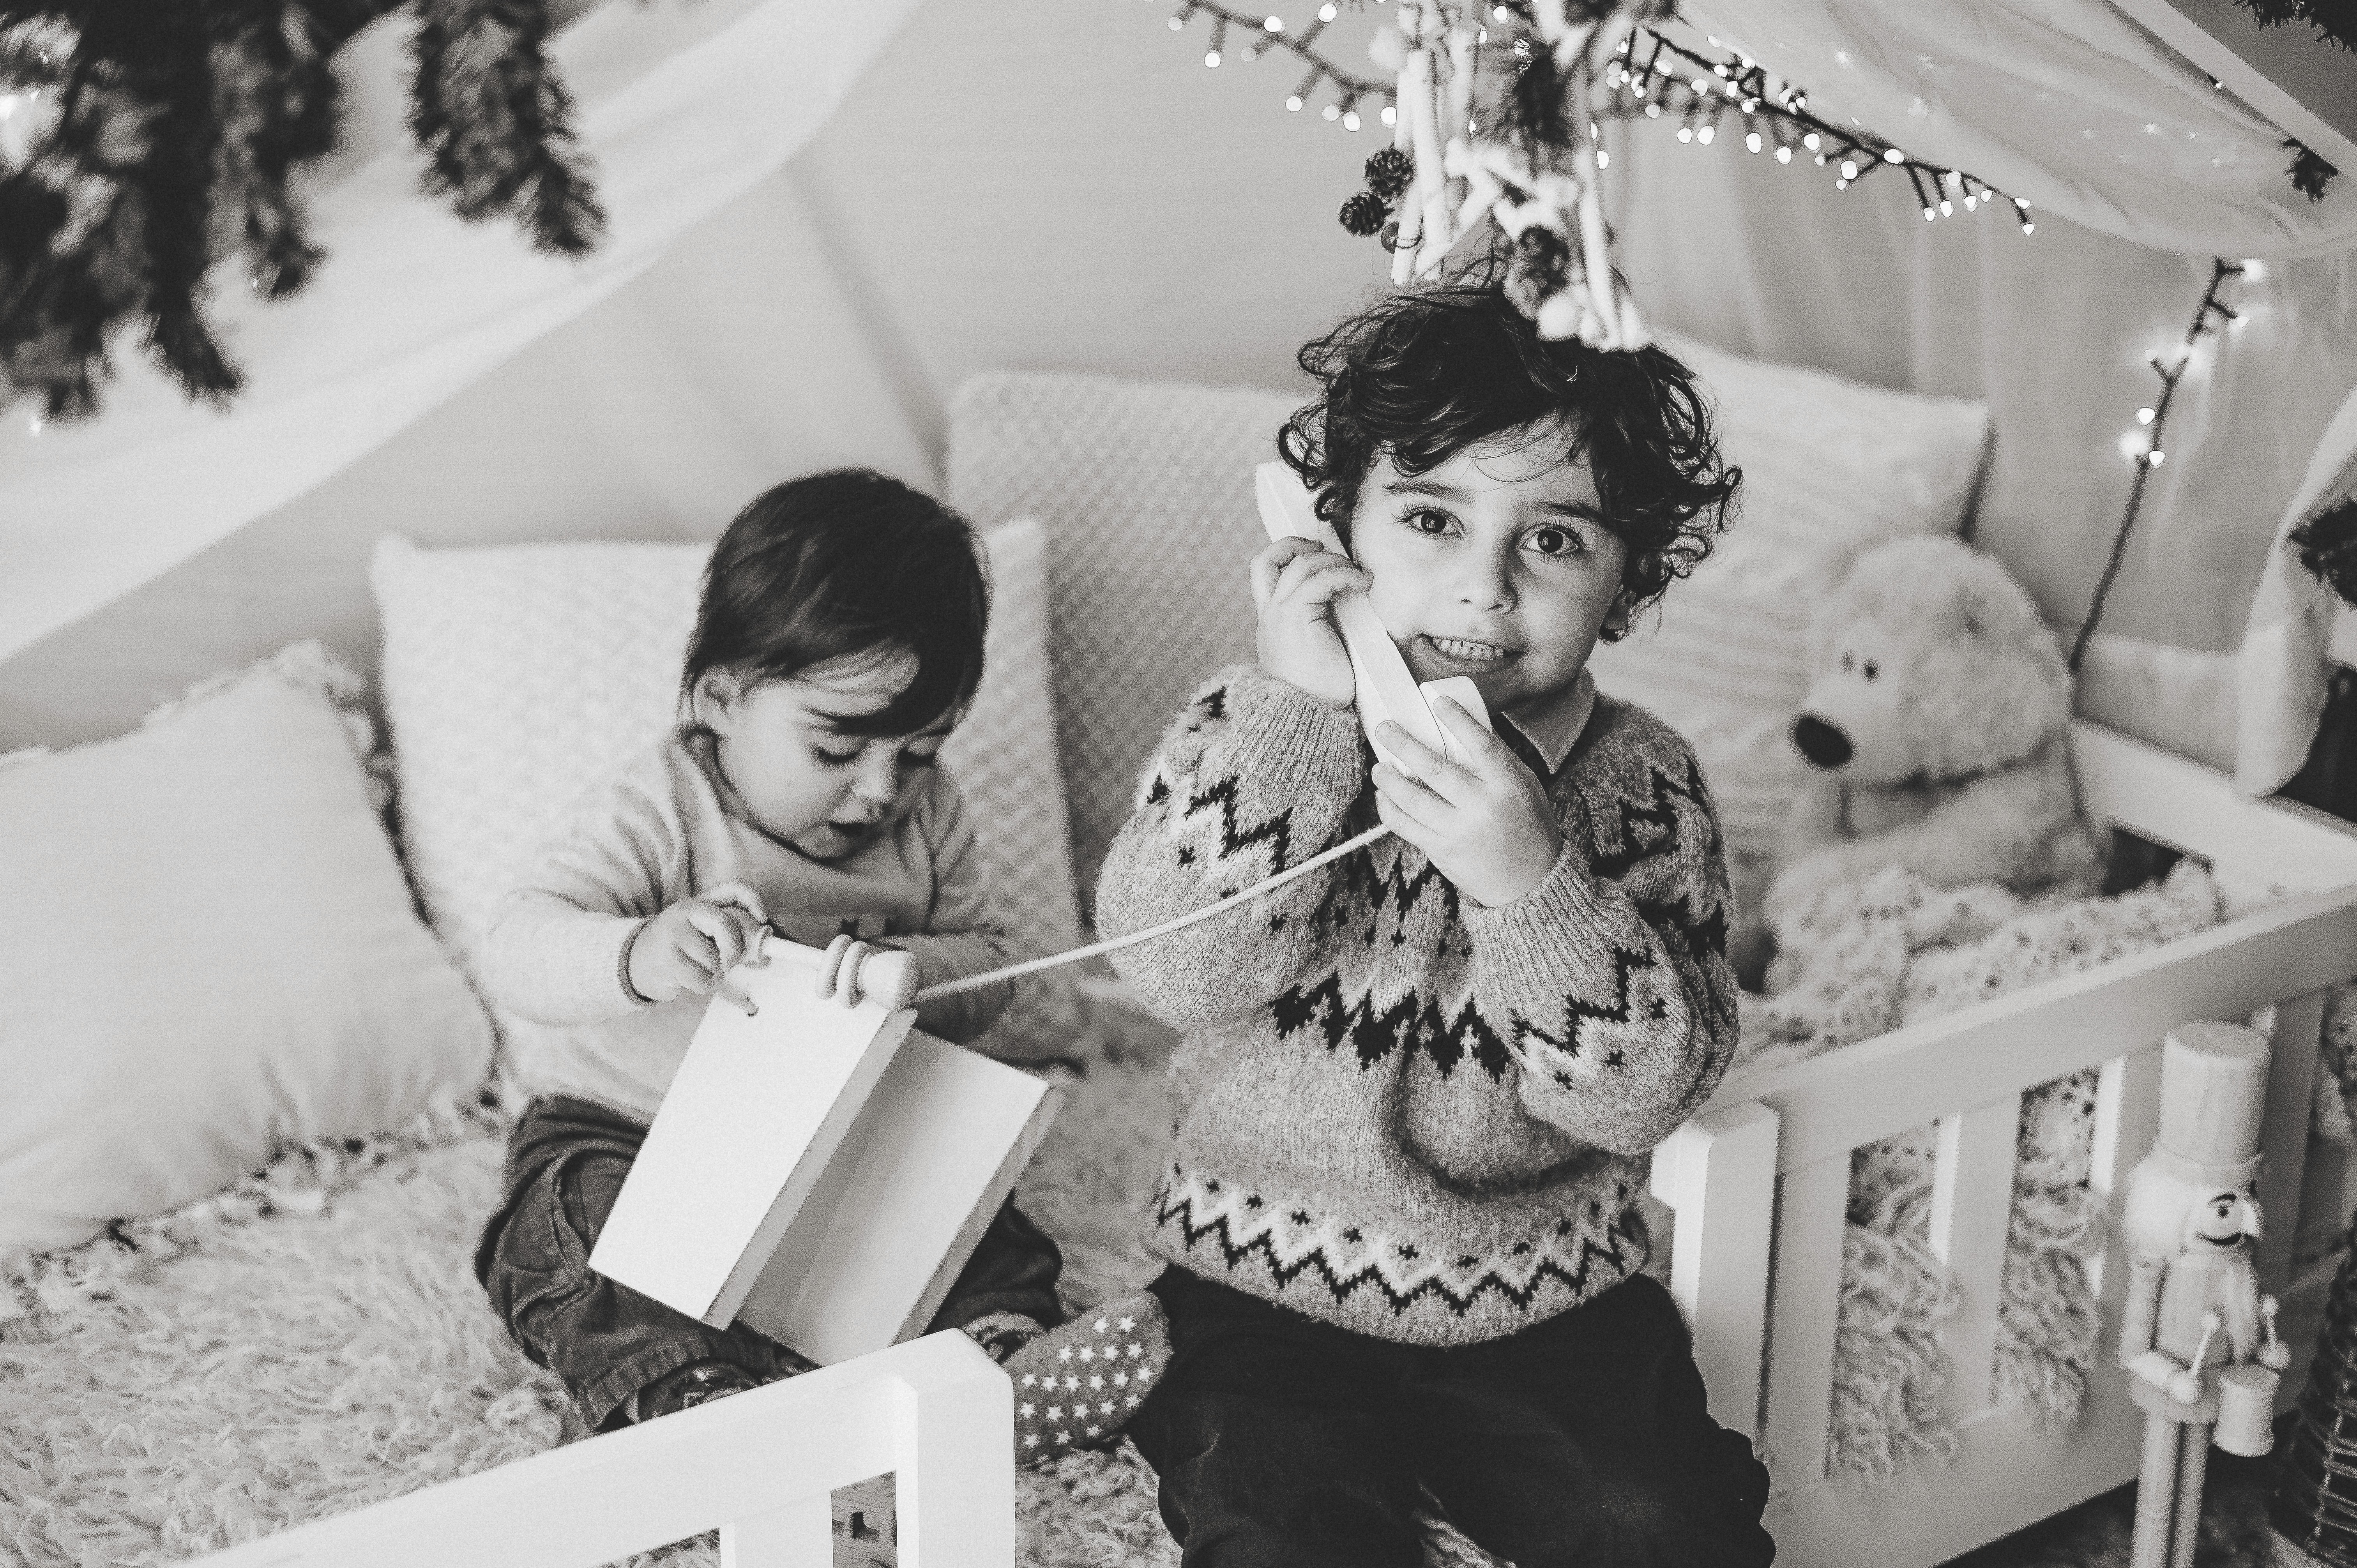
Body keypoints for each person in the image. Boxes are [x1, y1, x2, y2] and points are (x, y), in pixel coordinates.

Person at [1095, 281, 1774, 1565]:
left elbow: (1639, 1097)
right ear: (1330, 528)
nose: (1480, 588)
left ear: (1623, 583)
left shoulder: (1642, 786)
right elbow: (1173, 968)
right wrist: (1296, 721)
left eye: (1554, 542)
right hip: (1254, 1279)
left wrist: (1532, 887)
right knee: (1273, 1524)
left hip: (1538, 1290)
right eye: (1427, 517)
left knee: (1664, 1522)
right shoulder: (1255, 729)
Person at [474, 468, 1166, 1453]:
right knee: (572, 1232)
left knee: (970, 1203)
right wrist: (638, 950)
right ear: (722, 696)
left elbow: (995, 966)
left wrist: (917, 973)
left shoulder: (929, 817)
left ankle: (998, 1369)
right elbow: (514, 943)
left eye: (919, 750)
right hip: (632, 1127)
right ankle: (695, 1406)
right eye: (839, 743)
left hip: (844, 1132)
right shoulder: (658, 807)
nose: (882, 787)